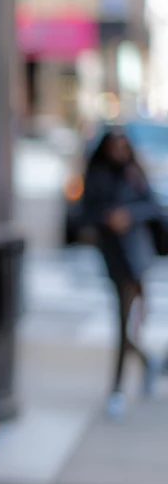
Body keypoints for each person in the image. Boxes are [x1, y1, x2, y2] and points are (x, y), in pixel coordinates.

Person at [82, 128, 163, 419]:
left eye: (123, 147)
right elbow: (85, 213)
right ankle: (121, 384)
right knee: (123, 322)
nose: (119, 152)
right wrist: (107, 219)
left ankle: (143, 364)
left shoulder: (135, 174)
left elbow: (153, 207)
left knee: (134, 321)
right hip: (116, 258)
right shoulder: (97, 175)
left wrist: (129, 215)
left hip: (139, 255)